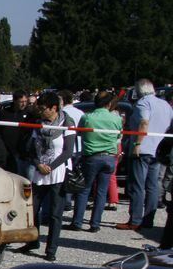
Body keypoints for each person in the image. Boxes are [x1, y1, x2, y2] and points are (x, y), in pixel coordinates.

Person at [23, 92, 75, 261]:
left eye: (43, 108)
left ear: (53, 108)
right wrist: (39, 164)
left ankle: (51, 250)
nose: (40, 111)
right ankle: (33, 241)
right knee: (32, 209)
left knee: (55, 214)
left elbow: (68, 151)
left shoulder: (67, 123)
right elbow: (31, 148)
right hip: (39, 172)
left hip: (57, 174)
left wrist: (51, 167)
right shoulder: (38, 124)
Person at [118, 79, 173, 230]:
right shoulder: (165, 105)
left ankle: (135, 220)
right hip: (159, 149)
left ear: (139, 91)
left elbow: (144, 122)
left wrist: (137, 144)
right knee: (153, 186)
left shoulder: (143, 103)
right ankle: (149, 219)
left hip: (143, 149)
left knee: (137, 185)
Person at [69, 91, 121, 232]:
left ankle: (77, 222)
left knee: (84, 190)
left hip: (91, 157)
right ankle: (95, 224)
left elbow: (79, 133)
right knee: (102, 192)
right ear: (109, 104)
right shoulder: (116, 119)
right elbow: (119, 137)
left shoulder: (87, 117)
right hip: (109, 157)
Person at [0, 90, 32, 176]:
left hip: (22, 153)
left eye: (25, 101)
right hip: (6, 152)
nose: (24, 104)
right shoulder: (4, 113)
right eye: (21, 102)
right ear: (15, 101)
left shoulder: (29, 113)